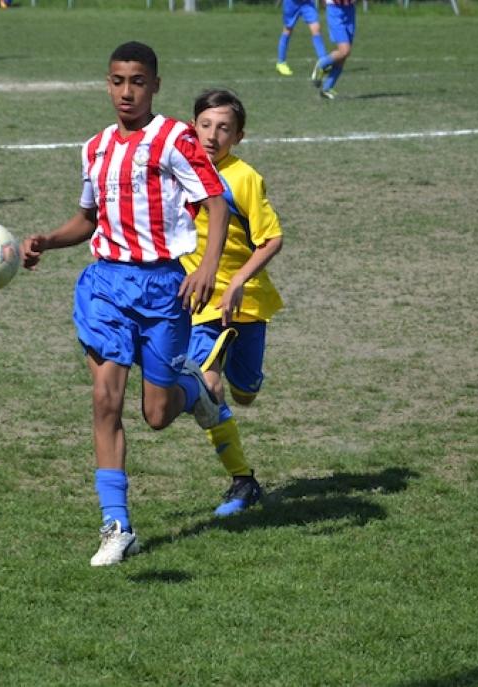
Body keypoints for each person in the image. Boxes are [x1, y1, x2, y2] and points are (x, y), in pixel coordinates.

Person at [20, 41, 231, 567]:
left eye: (138, 81)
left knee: (156, 415)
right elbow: (88, 220)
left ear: (155, 85)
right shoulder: (94, 148)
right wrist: (48, 239)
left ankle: (194, 388)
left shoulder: (176, 137)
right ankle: (117, 526)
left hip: (164, 288)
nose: (126, 92)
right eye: (117, 81)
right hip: (105, 287)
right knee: (104, 400)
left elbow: (216, 201)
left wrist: (206, 266)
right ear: (107, 84)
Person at [182, 89, 283, 518]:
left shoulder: (243, 178)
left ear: (239, 136)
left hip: (247, 301)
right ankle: (243, 481)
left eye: (223, 127)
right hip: (203, 304)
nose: (212, 135)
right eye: (205, 124)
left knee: (245, 394)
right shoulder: (180, 171)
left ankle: (244, 382)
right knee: (204, 383)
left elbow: (272, 238)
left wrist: (241, 279)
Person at [311, 0, 356, 100]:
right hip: (335, 9)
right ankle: (321, 65)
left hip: (350, 10)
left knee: (344, 55)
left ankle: (327, 88)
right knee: (345, 50)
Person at [275, 0, 328, 77]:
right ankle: (281, 63)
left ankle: (324, 62)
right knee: (287, 30)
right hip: (291, 3)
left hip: (307, 3)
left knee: (316, 28)